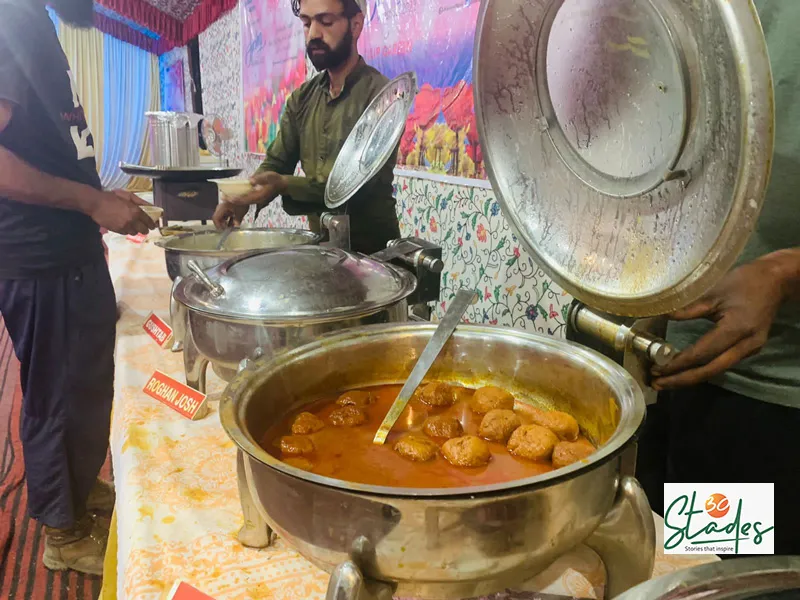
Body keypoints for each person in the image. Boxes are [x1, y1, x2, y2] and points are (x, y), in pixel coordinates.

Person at [636, 0, 800, 556]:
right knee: (678, 564)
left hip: (771, 398)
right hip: (679, 376)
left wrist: (783, 271)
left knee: (743, 577)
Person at [0, 0, 156, 575]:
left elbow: (49, 144)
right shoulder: (8, 19)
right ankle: (63, 535)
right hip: (41, 258)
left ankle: (79, 489)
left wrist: (105, 199)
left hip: (69, 249)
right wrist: (93, 201)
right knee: (57, 395)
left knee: (84, 385)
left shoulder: (34, 23)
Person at [213, 0, 401, 255]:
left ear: (355, 25)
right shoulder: (303, 98)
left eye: (325, 22)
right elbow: (277, 162)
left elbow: (356, 187)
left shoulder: (382, 97)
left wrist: (283, 185)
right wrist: (244, 199)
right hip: (321, 251)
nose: (313, 34)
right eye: (306, 23)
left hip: (376, 258)